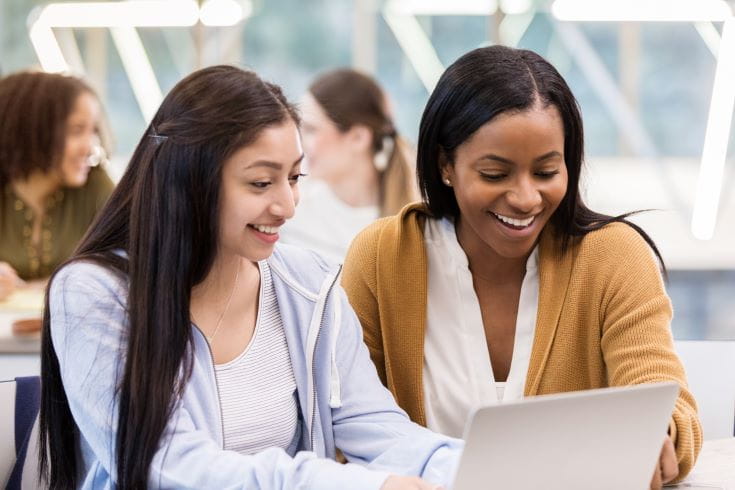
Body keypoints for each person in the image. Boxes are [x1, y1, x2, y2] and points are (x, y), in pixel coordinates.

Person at [38, 65, 460, 490]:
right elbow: (163, 464)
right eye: (261, 183)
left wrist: (465, 465)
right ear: (190, 180)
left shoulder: (309, 286)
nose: (288, 205)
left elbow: (377, 428)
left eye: (294, 178)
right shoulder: (94, 293)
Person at [342, 46, 701, 488]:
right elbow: (344, 429)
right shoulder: (382, 257)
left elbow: (669, 402)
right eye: (495, 174)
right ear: (445, 165)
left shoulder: (612, 257)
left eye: (547, 171)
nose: (526, 198)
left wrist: (661, 435)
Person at [280, 68, 418, 262]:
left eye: (311, 129)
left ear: (358, 138)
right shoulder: (291, 210)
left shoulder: (413, 227)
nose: (300, 143)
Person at [0, 71, 114, 300]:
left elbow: (123, 269)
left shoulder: (97, 186)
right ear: (32, 129)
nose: (90, 147)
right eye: (76, 131)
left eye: (93, 131)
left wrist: (26, 288)